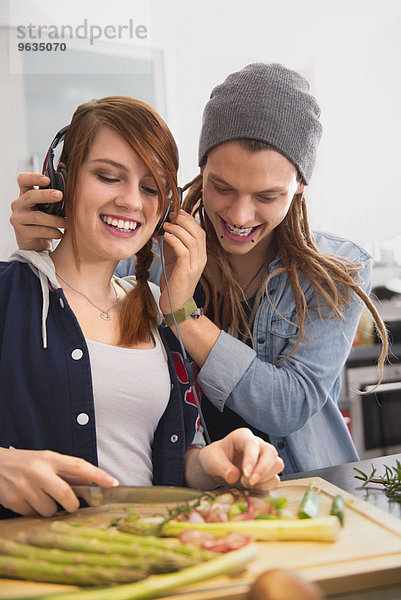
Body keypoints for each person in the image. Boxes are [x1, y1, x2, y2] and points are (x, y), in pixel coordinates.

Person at [10, 64, 387, 476]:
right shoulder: (149, 253)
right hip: (199, 496)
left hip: (302, 488)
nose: (240, 215)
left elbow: (288, 405)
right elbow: (81, 277)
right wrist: (41, 249)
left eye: (267, 195)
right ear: (201, 168)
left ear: (299, 185)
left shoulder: (337, 270)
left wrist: (181, 313)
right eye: (222, 187)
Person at [0, 95, 284, 518]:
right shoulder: (10, 295)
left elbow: (163, 462)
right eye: (108, 176)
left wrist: (209, 462)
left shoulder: (154, 308)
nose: (132, 201)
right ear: (63, 181)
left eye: (151, 188)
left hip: (153, 555)